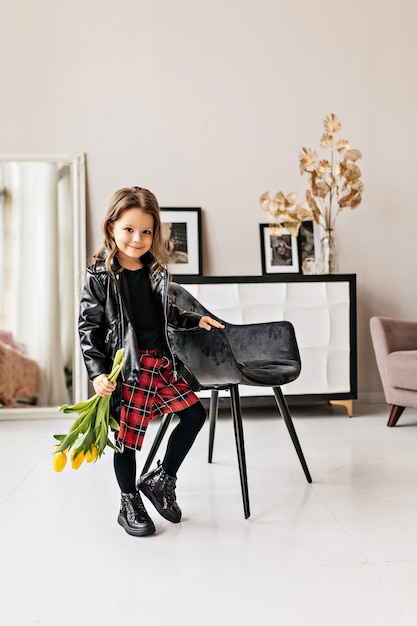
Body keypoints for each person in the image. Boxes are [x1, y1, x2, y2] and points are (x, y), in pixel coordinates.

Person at [78, 186, 223, 537]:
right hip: (127, 368)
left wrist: (193, 319)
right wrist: (97, 373)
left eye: (146, 231)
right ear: (112, 226)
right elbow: (88, 328)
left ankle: (162, 479)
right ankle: (129, 502)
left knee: (193, 415)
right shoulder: (100, 275)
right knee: (126, 439)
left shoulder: (155, 270)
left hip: (160, 362)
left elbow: (164, 312)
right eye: (129, 229)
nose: (137, 238)